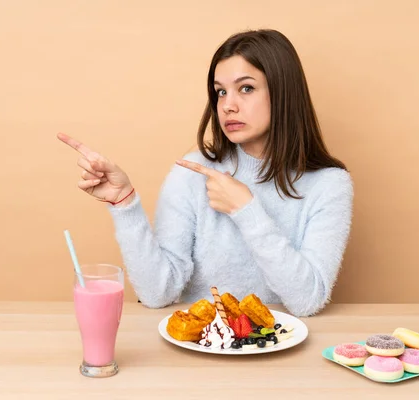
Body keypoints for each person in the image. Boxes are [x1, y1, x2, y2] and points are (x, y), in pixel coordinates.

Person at [58, 29, 353, 317]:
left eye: (246, 88)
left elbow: (308, 300)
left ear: (283, 92)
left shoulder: (329, 184)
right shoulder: (191, 173)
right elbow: (157, 293)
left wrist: (246, 210)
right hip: (198, 351)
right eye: (220, 92)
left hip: (282, 355)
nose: (228, 105)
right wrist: (124, 204)